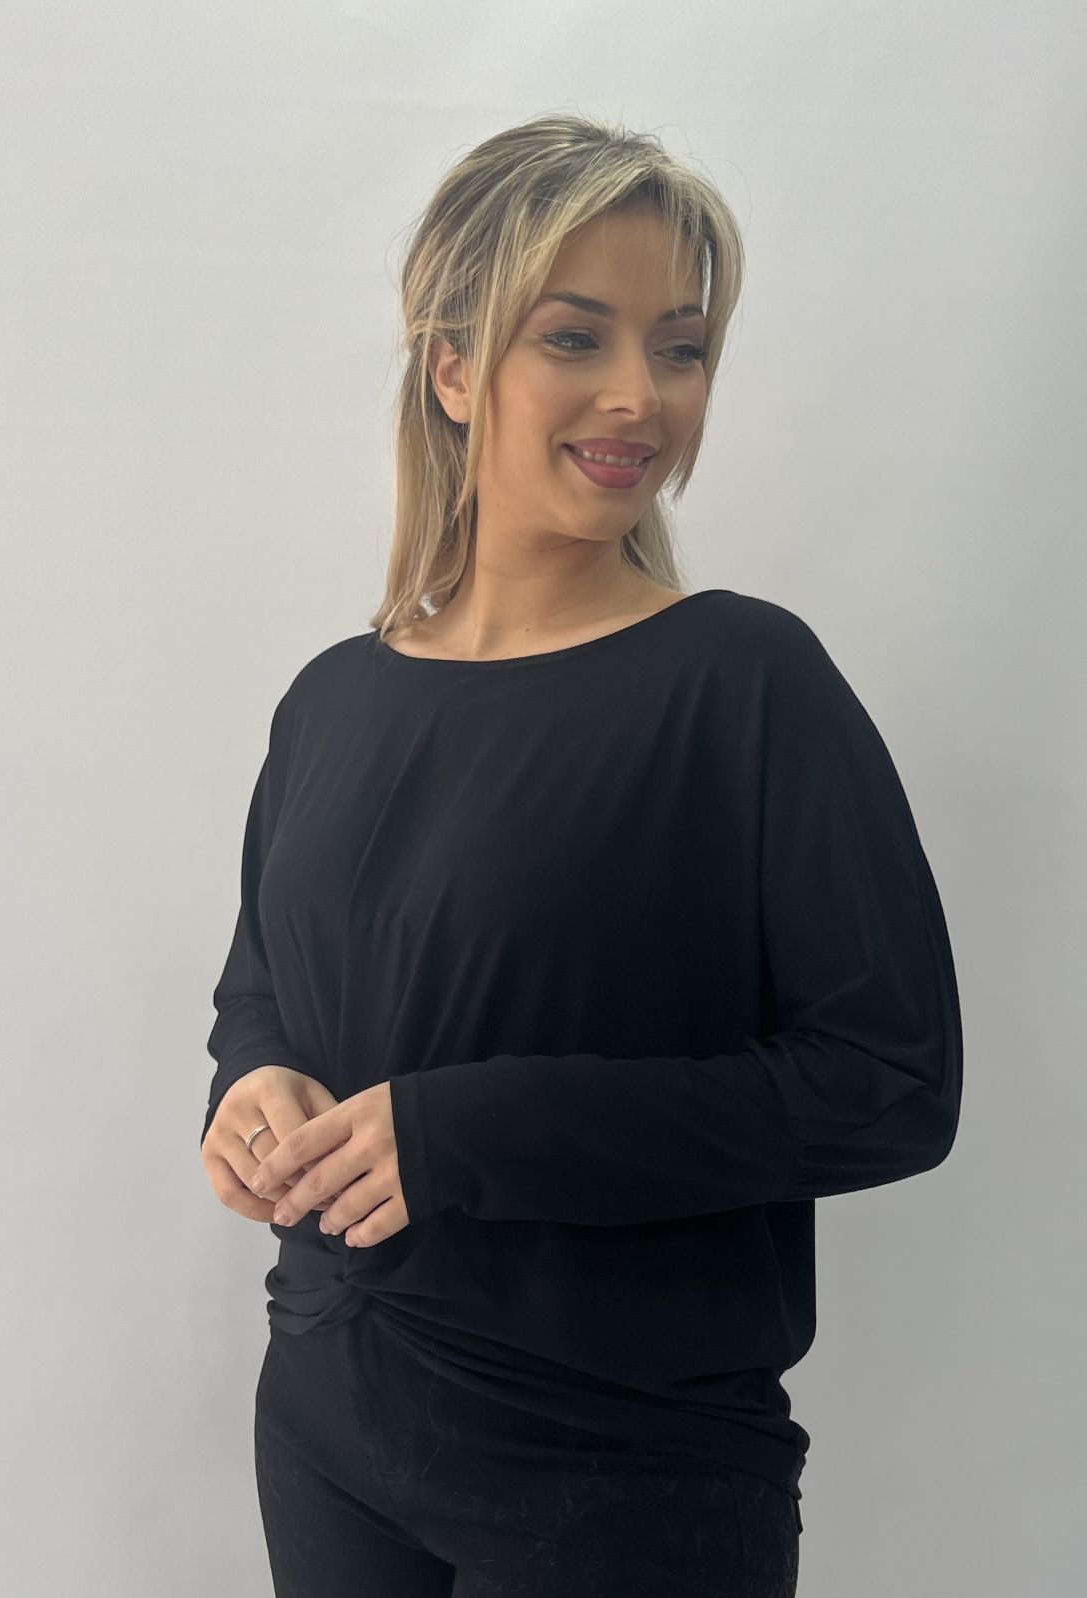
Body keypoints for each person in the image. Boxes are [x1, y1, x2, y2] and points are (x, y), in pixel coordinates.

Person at [199, 111, 962, 1598]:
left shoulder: (745, 683)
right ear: (453, 367)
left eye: (680, 349)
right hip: (328, 1413)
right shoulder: (332, 697)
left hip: (622, 1473)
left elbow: (890, 1085)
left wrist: (467, 1132)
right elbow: (261, 991)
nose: (639, 395)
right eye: (575, 336)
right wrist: (251, 1084)